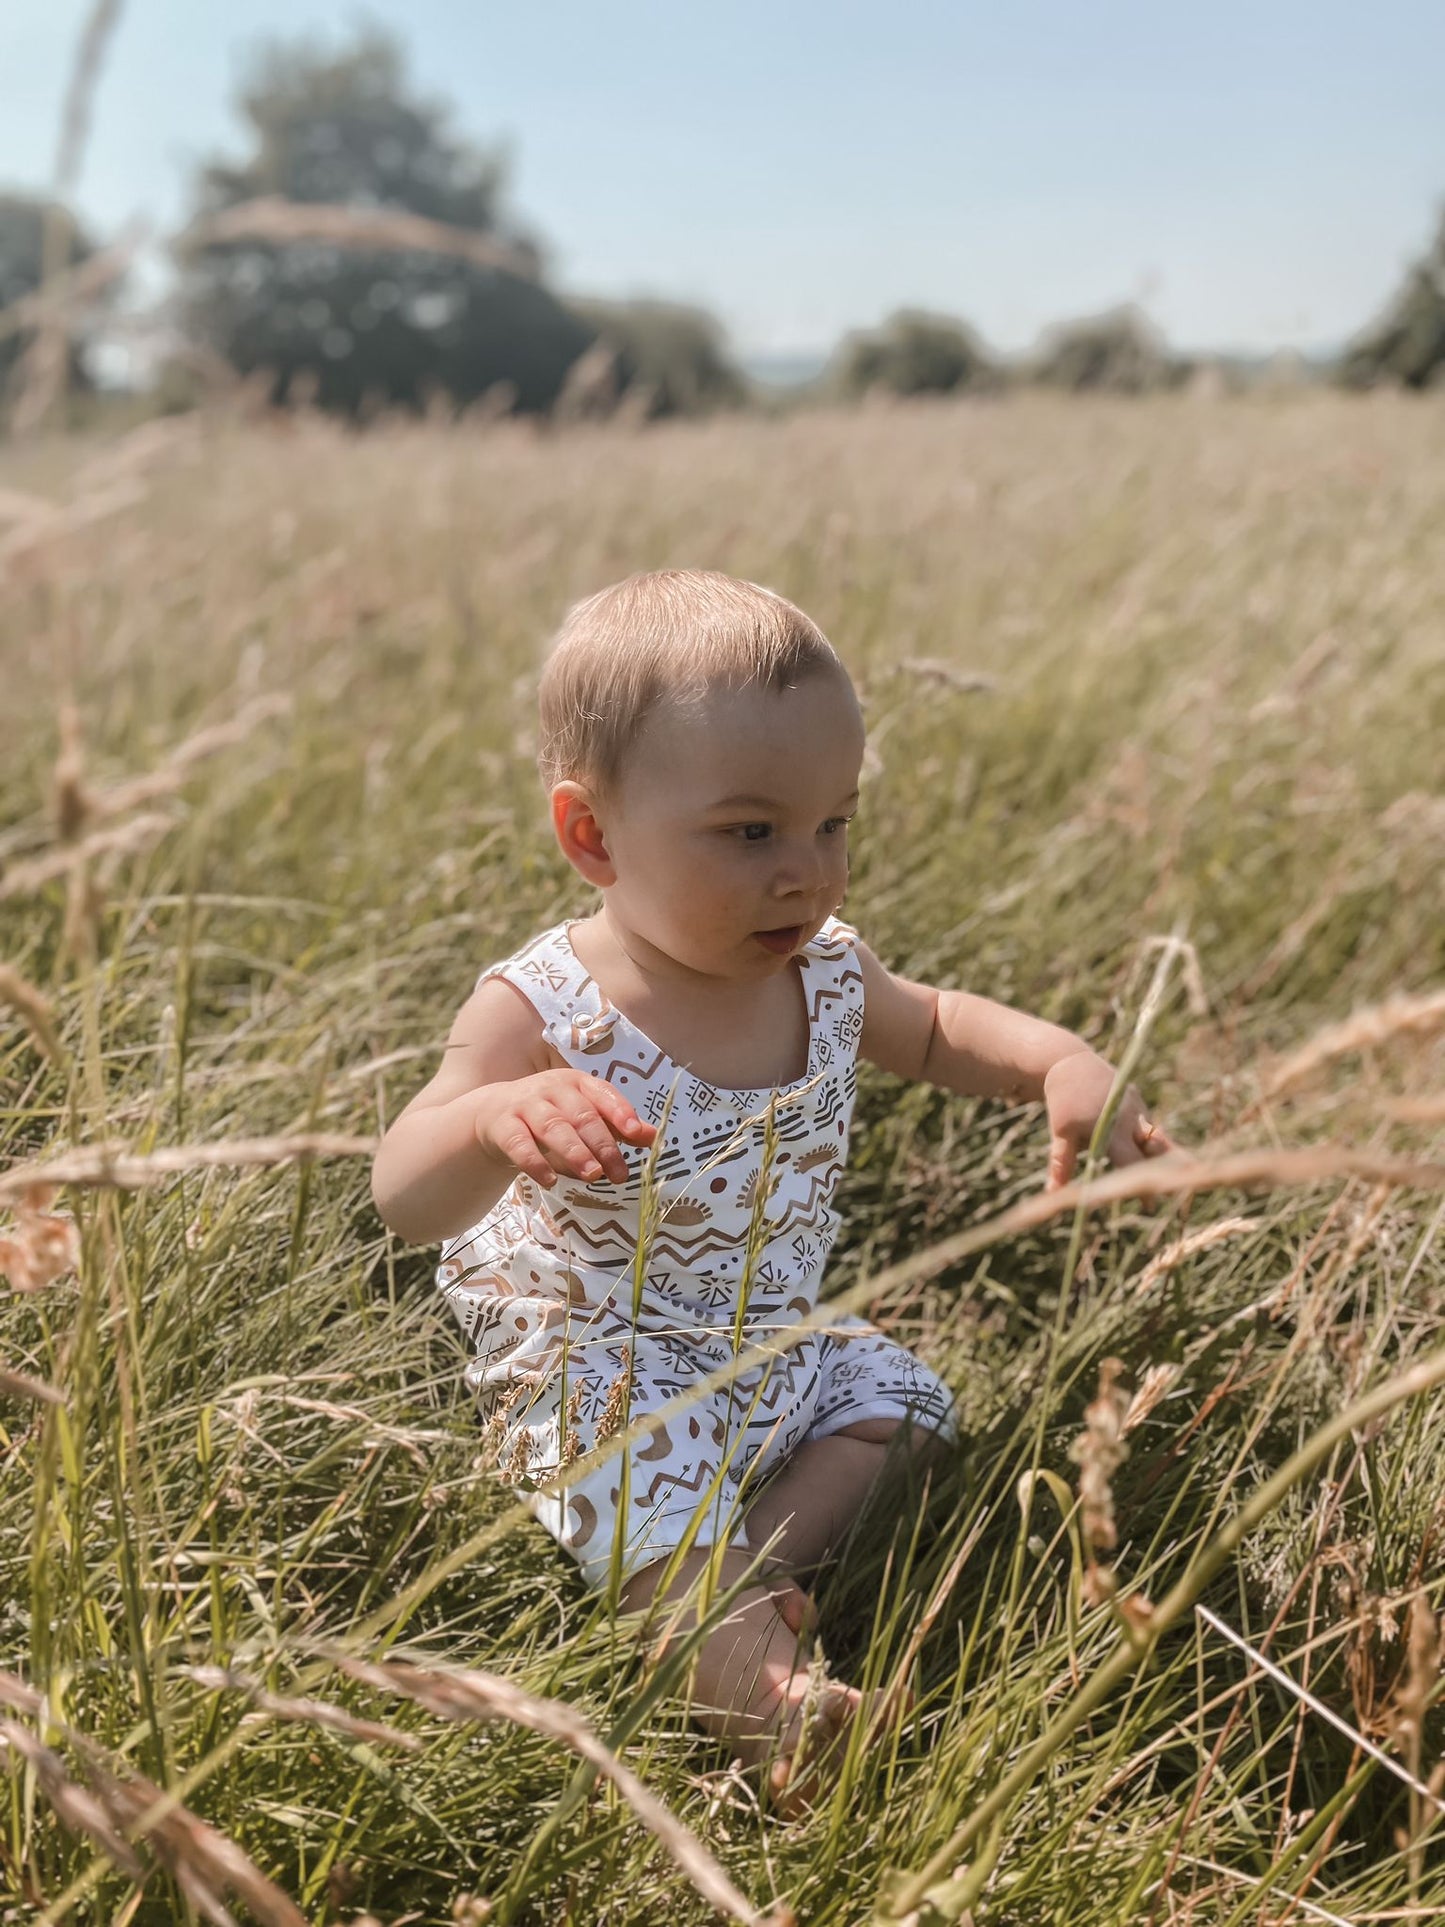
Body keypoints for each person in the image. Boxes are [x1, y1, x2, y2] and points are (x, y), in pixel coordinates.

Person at [370, 569, 1174, 1811]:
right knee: (637, 1492)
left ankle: (742, 1564)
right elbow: (405, 1193)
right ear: (590, 835)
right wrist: (487, 1116)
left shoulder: (828, 978)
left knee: (903, 1405)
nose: (805, 873)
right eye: (750, 832)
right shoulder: (546, 1008)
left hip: (763, 1341)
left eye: (832, 824)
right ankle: (765, 1700)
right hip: (606, 1355)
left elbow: (946, 1026)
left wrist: (1062, 1060)